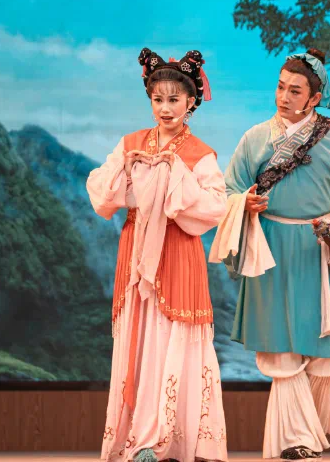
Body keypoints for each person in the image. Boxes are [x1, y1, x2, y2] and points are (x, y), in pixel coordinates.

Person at [210, 48, 330, 460]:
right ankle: (298, 440)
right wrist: (242, 203)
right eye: (280, 87)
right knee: (282, 349)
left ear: (315, 98)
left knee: (325, 353)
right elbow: (226, 190)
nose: (284, 97)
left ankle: (308, 435)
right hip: (270, 251)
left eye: (295, 90)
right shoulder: (255, 138)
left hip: (319, 250)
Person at [87, 48, 228, 462]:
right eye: (158, 99)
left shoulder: (200, 154)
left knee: (172, 337)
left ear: (191, 102)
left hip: (177, 248)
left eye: (174, 100)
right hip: (136, 250)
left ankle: (173, 438)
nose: (166, 108)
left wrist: (173, 174)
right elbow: (100, 191)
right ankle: (140, 438)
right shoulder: (130, 144)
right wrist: (127, 169)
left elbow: (215, 206)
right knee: (139, 336)